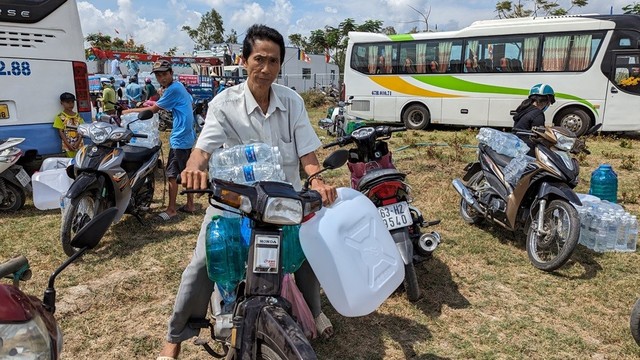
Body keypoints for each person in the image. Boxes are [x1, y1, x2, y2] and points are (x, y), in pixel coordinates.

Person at [156, 24, 338, 360]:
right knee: (200, 264)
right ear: (244, 61)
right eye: (258, 59)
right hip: (233, 202)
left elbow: (307, 154)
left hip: (283, 202)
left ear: (280, 65)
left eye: (273, 61)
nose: (265, 68)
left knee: (309, 253)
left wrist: (316, 180)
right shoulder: (224, 104)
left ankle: (314, 310)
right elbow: (203, 148)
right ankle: (176, 336)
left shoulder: (293, 102)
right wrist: (195, 168)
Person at [122, 59, 196, 221]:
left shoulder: (173, 89)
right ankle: (190, 204)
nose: (161, 78)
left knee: (172, 174)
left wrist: (130, 111)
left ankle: (171, 210)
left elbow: (154, 110)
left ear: (171, 73)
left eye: (164, 74)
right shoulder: (178, 87)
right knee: (185, 171)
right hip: (187, 135)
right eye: (158, 75)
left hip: (180, 137)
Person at [512, 83, 556, 154]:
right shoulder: (537, 114)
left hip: (517, 144)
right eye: (549, 103)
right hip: (527, 149)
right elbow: (539, 135)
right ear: (547, 100)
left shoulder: (525, 108)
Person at [53, 92, 84, 157]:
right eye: (67, 102)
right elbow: (61, 132)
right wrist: (68, 145)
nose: (71, 104)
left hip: (79, 144)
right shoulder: (60, 117)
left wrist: (78, 142)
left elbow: (82, 130)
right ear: (61, 103)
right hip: (68, 146)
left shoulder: (78, 116)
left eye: (72, 102)